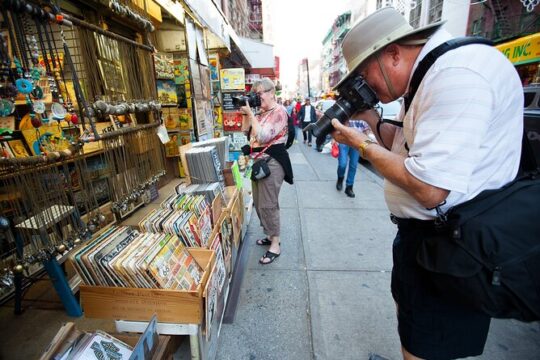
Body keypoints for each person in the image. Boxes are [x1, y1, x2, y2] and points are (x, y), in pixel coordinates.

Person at [329, 7, 523, 360]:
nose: (365, 85)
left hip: (450, 244)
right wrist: (370, 122)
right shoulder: (428, 75)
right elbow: (404, 146)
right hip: (426, 239)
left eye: (364, 74)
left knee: (430, 342)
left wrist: (362, 145)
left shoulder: (456, 75)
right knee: (416, 329)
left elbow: (431, 187)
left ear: (392, 53)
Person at [240, 77, 293, 265]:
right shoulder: (261, 113)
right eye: (255, 93)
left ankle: (275, 244)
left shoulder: (279, 112)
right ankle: (270, 235)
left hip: (272, 163)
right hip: (258, 162)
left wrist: (252, 114)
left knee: (268, 203)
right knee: (259, 202)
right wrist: (247, 114)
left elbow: (262, 136)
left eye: (259, 93)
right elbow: (244, 130)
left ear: (271, 93)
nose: (257, 97)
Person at [335, 120, 372, 198]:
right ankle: (340, 178)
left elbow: (367, 131)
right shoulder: (348, 111)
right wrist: (334, 139)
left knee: (353, 165)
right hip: (344, 140)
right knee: (342, 164)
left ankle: (349, 187)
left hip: (357, 143)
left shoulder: (363, 114)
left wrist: (365, 143)